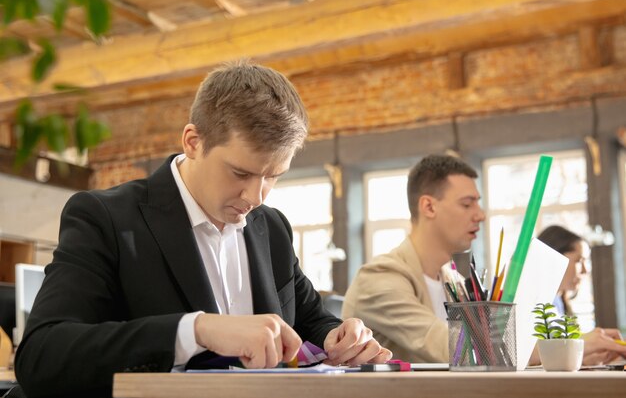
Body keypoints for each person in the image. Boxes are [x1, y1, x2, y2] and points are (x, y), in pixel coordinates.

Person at [15, 61, 391, 398]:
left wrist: (338, 337)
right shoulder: (107, 217)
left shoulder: (271, 227)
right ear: (193, 142)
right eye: (240, 173)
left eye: (273, 177)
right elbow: (42, 357)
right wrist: (195, 331)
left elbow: (309, 319)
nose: (256, 196)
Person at [343, 154, 485, 362]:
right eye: (466, 204)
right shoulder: (379, 278)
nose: (480, 215)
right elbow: (455, 348)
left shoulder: (453, 280)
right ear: (428, 207)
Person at [535, 225, 626, 366]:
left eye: (586, 261)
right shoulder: (533, 303)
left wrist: (589, 360)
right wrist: (581, 342)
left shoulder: (560, 302)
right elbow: (528, 355)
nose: (585, 270)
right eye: (579, 260)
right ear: (555, 256)